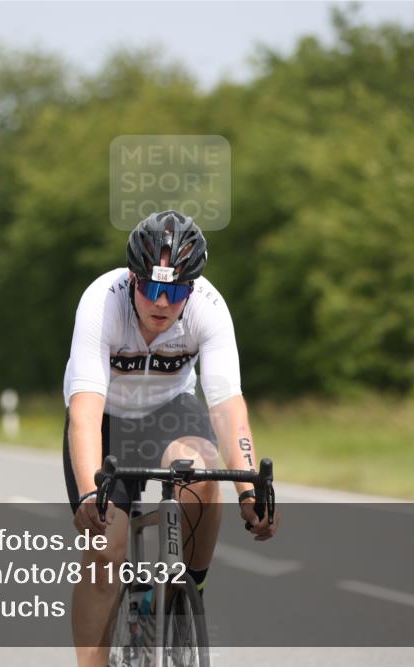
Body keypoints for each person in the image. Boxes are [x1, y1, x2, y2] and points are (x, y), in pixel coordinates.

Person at [62, 210, 279, 666]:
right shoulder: (101, 301)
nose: (162, 302)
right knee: (107, 552)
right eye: (152, 288)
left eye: (176, 291)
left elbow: (226, 406)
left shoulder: (209, 308)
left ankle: (190, 585)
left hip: (170, 411)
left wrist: (248, 491)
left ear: (191, 289)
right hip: (107, 419)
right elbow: (84, 411)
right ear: (133, 278)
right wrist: (88, 493)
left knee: (202, 475)